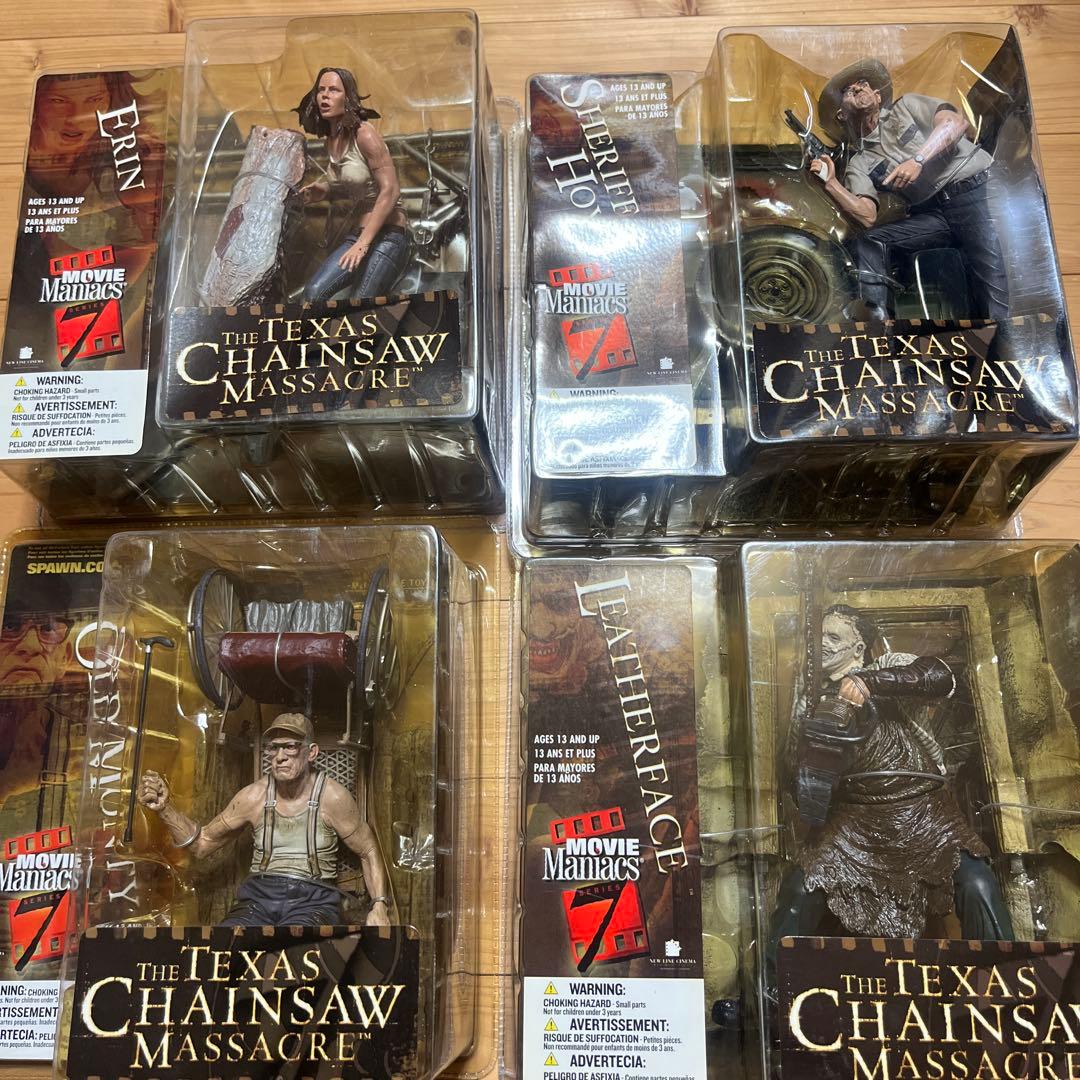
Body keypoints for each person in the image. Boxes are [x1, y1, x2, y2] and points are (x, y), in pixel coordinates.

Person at [765, 604, 1013, 987]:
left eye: (833, 636)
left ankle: (1006, 987)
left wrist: (870, 682)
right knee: (800, 888)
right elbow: (797, 779)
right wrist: (813, 766)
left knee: (977, 883)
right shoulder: (809, 701)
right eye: (818, 637)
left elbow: (941, 677)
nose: (822, 644)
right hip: (853, 821)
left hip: (923, 810)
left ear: (858, 647)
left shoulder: (889, 666)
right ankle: (773, 993)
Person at [138, 712, 390, 927]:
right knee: (225, 946)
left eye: (290, 746)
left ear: (311, 752)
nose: (280, 756)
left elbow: (368, 849)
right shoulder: (253, 797)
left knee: (294, 949)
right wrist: (165, 809)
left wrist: (379, 905)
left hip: (314, 900)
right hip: (258, 899)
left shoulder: (332, 797)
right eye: (274, 747)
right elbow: (202, 843)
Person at [809, 58, 1009, 322]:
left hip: (978, 190)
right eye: (847, 90)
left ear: (877, 96)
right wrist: (832, 183)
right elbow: (867, 215)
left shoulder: (907, 106)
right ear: (841, 115)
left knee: (992, 287)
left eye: (863, 83)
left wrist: (918, 160)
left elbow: (954, 123)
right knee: (870, 242)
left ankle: (1006, 337)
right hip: (937, 213)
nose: (858, 87)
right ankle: (879, 323)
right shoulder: (860, 162)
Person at [295, 67, 410, 302]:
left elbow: (390, 190)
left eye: (334, 90)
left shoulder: (364, 135)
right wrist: (324, 190)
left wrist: (363, 244)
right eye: (321, 90)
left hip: (389, 235)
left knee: (360, 302)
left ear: (347, 98)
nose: (325, 95)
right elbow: (354, 182)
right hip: (358, 233)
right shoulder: (332, 140)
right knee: (314, 293)